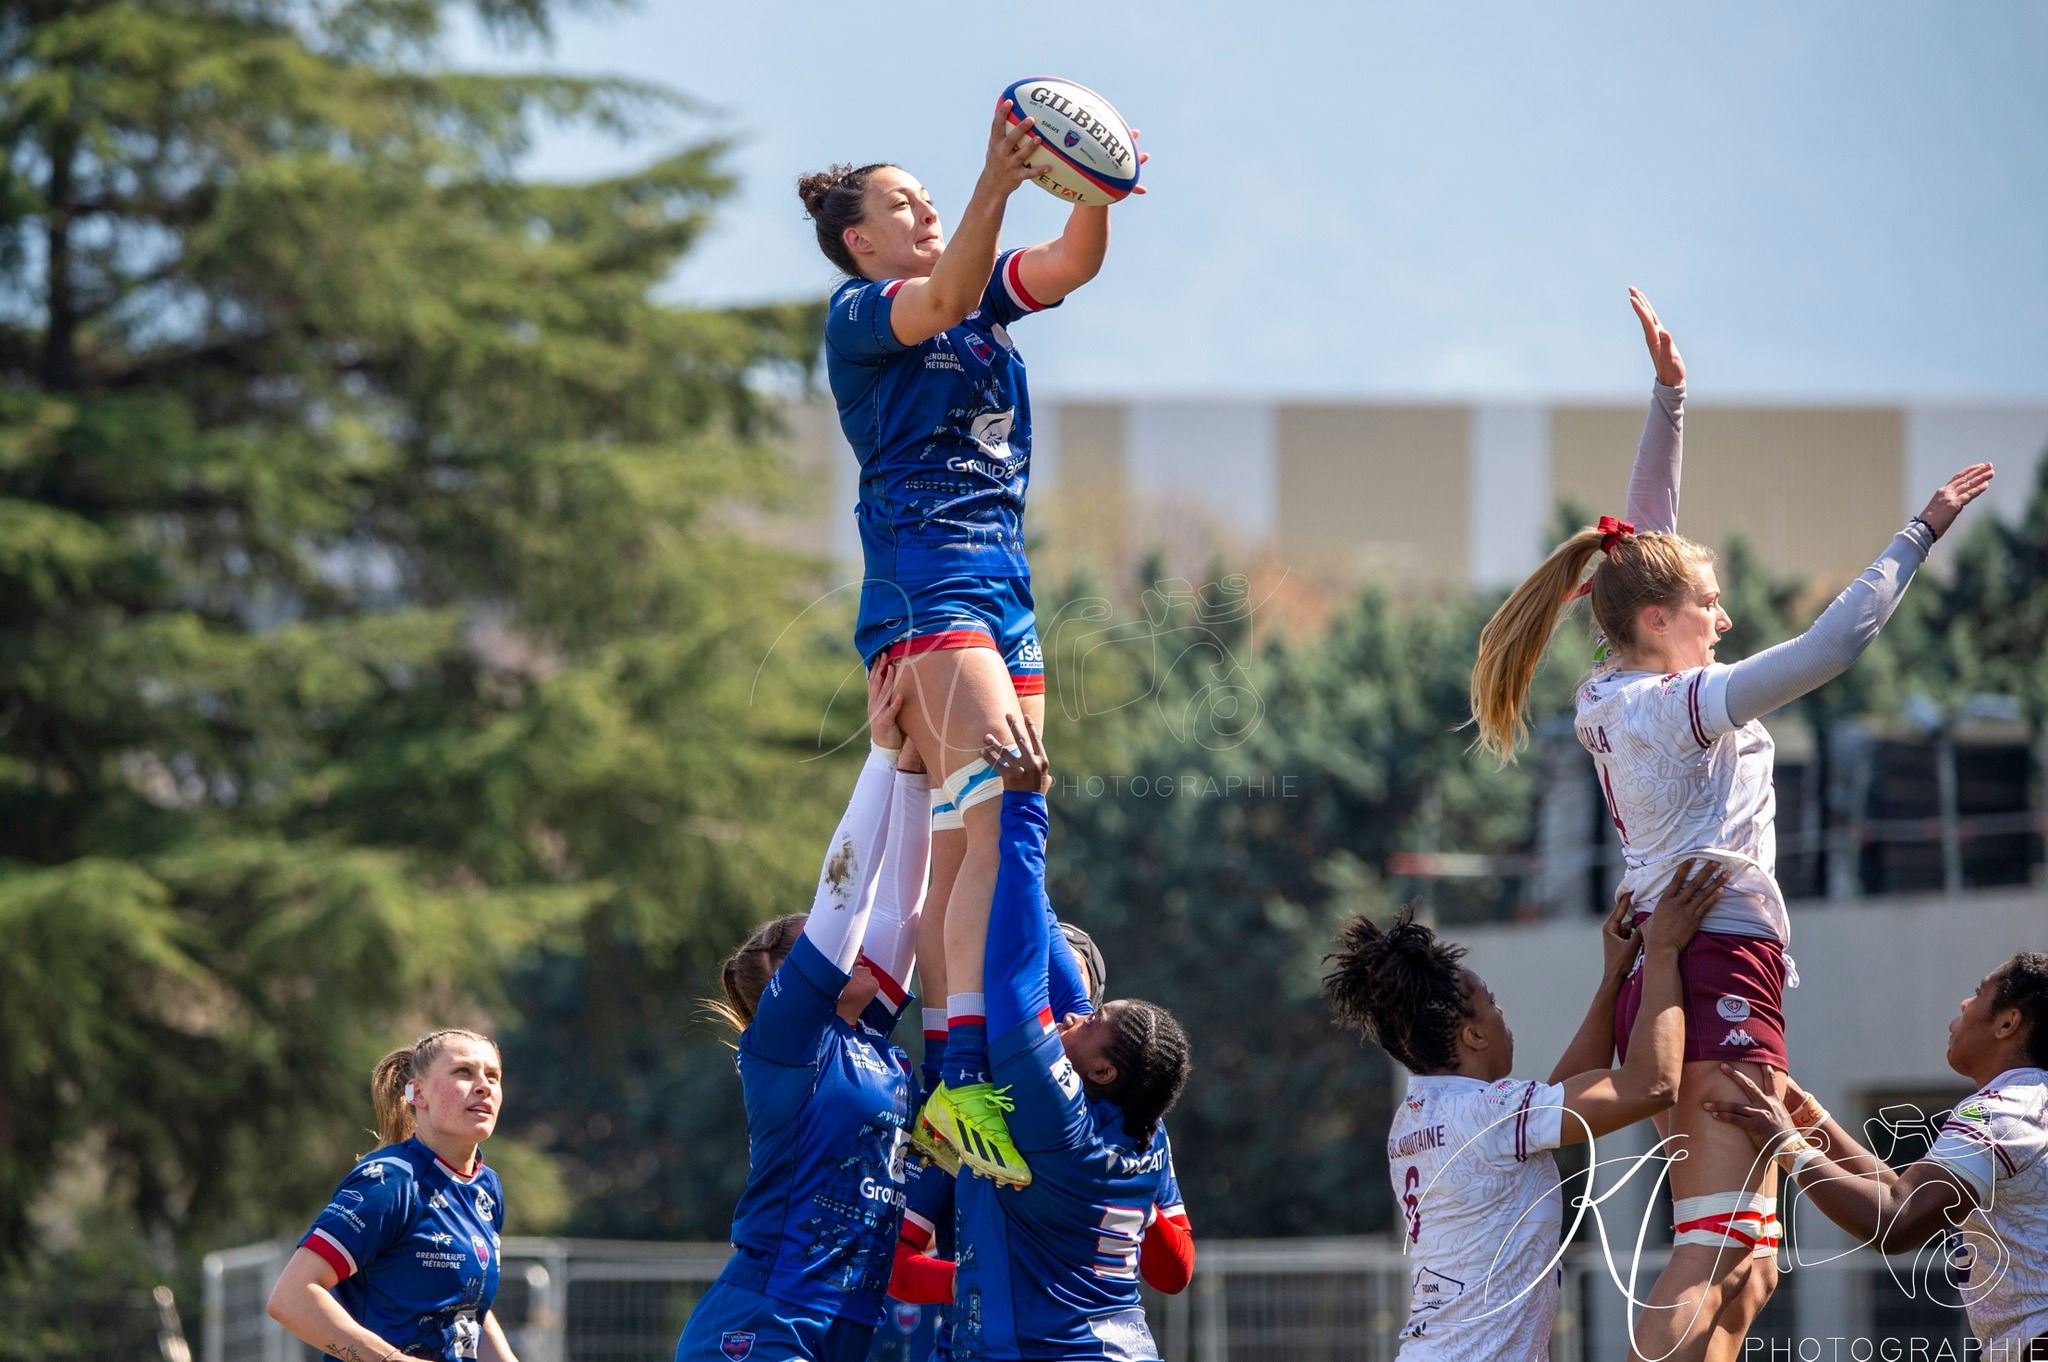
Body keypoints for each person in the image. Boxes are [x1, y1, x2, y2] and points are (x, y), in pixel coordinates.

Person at [1467, 289, 1995, 1362]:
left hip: (1684, 960)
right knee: (1711, 1247)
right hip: (1712, 962)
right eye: (1707, 606)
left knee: (1747, 1261)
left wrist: (1669, 395)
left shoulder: (1614, 685)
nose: (1722, 619)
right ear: (1658, 624)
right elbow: (1827, 649)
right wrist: (1918, 531)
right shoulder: (1674, 705)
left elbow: (1643, 547)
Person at [797, 101, 1145, 1187]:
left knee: (974, 845)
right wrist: (998, 178)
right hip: (927, 591)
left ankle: (955, 1089)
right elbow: (946, 288)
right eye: (903, 201)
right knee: (996, 830)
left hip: (1003, 590)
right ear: (859, 238)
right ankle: (959, 1091)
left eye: (930, 196)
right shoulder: (863, 311)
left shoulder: (982, 301)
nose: (927, 207)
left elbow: (1070, 266)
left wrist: (1098, 187)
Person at [1322, 861, 1728, 1360]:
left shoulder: (1419, 1115)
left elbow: (1565, 1099)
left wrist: (1613, 979)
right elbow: (1654, 1085)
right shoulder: (1487, 1116)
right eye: (1490, 1002)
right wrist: (1663, 950)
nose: (1501, 1012)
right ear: (1472, 1035)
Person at [675, 663, 931, 1362]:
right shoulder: (790, 1036)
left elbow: (900, 912)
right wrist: (880, 754)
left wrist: (915, 775)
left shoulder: (866, 1040)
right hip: (769, 1320)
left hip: (852, 1322)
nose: (852, 948)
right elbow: (846, 897)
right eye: (820, 940)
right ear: (791, 973)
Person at [931, 716, 1191, 1360]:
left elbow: (1017, 976)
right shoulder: (1139, 1128)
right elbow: (1060, 979)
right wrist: (1016, 820)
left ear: (1105, 1072)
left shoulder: (1060, 1119)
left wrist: (1025, 814)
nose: (1076, 1015)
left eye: (1093, 1022)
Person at [1706, 952, 2048, 1360]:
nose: (1963, 1004)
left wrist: (1783, 1143)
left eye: (1978, 994)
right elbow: (1898, 1191)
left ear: (2008, 1023)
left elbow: (1892, 1222)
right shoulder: (2030, 1103)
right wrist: (1807, 1119)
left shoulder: (2003, 1109)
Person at [879, 921, 1194, 1362]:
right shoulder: (968, 1111)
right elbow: (893, 1262)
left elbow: (1176, 1270)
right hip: (975, 1344)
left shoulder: (1141, 1128)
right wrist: (963, 1282)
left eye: (1059, 981)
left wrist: (1122, 1201)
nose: (1052, 1011)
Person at [268, 1030, 518, 1362]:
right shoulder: (390, 1181)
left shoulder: (487, 1187)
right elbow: (291, 1298)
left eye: (493, 1076)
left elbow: (469, 1314)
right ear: (418, 1093)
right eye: (463, 1072)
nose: (484, 1086)